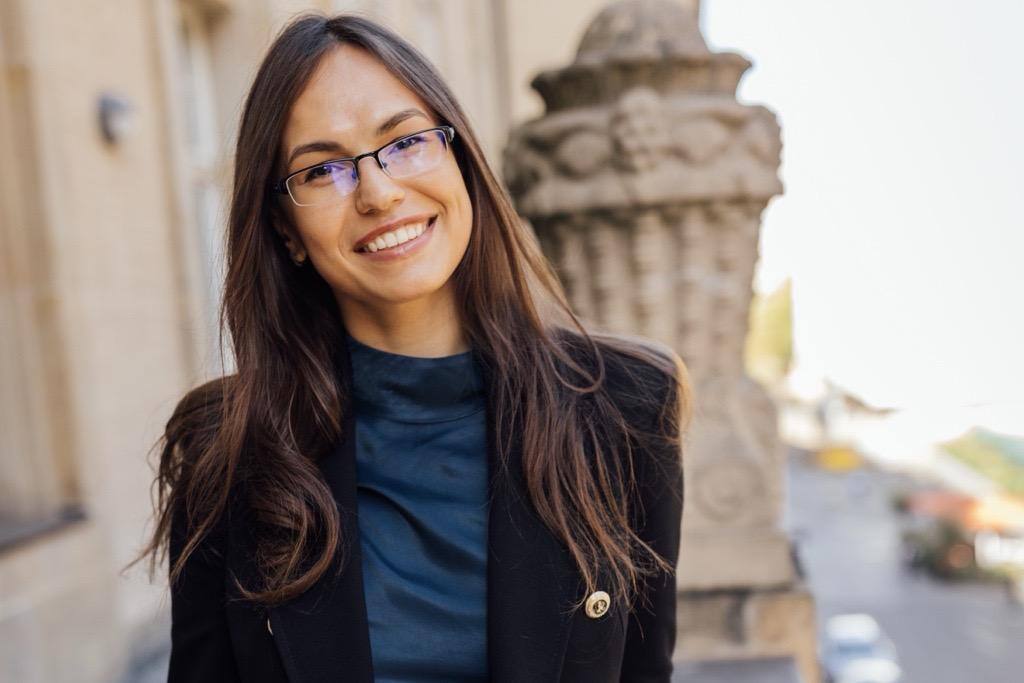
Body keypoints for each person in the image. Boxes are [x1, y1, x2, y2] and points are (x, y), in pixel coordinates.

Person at [133, 11, 692, 683]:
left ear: (460, 160)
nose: (377, 191)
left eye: (404, 142)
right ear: (285, 230)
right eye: (322, 171)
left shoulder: (626, 407)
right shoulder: (226, 447)